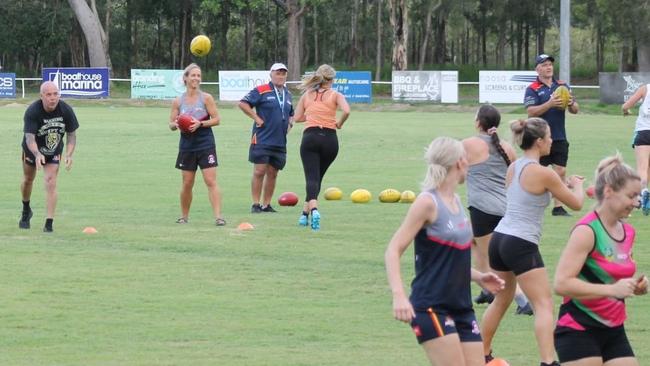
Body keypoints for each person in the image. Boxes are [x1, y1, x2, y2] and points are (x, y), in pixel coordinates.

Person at [385, 136, 505, 366]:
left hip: (462, 306)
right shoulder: (427, 203)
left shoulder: (458, 202)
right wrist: (399, 296)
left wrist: (479, 276)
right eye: (467, 160)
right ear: (460, 162)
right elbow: (393, 249)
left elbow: (448, 258)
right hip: (431, 307)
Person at [480, 118, 584, 366]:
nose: (551, 141)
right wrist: (578, 185)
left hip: (500, 238)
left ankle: (481, 354)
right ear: (539, 141)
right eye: (549, 137)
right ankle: (548, 362)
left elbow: (524, 195)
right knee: (543, 304)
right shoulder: (544, 173)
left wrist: (560, 185)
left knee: (502, 300)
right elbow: (576, 203)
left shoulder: (514, 167)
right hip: (521, 242)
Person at [553, 154, 648, 366]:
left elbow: (610, 274)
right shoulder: (587, 231)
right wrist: (613, 290)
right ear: (608, 191)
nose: (635, 203)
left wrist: (636, 286)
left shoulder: (628, 232)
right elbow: (561, 283)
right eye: (630, 196)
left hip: (614, 330)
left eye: (637, 197)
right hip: (578, 328)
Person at [462, 105, 532, 315]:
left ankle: (523, 301)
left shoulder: (468, 144)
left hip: (483, 209)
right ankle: (486, 289)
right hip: (504, 208)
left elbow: (450, 163)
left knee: (495, 261)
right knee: (471, 242)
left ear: (478, 123)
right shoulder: (506, 147)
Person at [293, 64, 350, 230]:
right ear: (332, 79)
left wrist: (312, 115)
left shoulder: (307, 95)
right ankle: (304, 215)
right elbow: (346, 111)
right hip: (330, 140)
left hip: (310, 138)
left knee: (312, 178)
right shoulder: (335, 95)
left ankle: (315, 210)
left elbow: (297, 118)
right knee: (317, 178)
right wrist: (338, 122)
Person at [169, 63, 225, 226]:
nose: (196, 78)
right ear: (185, 78)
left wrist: (200, 124)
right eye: (193, 75)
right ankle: (184, 217)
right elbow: (171, 124)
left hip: (205, 142)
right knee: (187, 183)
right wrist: (178, 124)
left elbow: (216, 119)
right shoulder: (178, 101)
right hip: (187, 145)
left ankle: (218, 217)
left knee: (210, 181)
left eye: (198, 76)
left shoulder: (206, 98)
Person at [19, 81, 79, 233]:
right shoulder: (33, 110)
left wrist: (69, 154)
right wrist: (37, 154)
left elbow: (71, 135)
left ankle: (49, 223)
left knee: (50, 181)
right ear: (41, 96)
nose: (53, 98)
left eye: (55, 94)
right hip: (33, 151)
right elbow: (29, 138)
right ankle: (26, 209)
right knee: (28, 180)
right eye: (48, 94)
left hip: (53, 151)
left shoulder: (66, 110)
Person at [525, 54, 580, 216]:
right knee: (536, 171)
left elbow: (575, 109)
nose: (548, 67)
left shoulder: (562, 86)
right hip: (539, 138)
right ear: (537, 69)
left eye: (550, 64)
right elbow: (530, 112)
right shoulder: (533, 88)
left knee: (561, 170)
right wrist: (549, 104)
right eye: (544, 65)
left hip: (559, 136)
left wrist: (571, 103)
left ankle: (558, 207)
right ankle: (532, 203)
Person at [239, 63, 294, 213]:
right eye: (278, 73)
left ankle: (266, 204)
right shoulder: (262, 90)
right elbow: (243, 103)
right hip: (262, 138)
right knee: (259, 171)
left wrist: (291, 123)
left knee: (273, 173)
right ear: (271, 74)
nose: (281, 76)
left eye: (283, 73)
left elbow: (291, 113)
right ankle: (255, 204)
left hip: (279, 141)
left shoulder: (288, 94)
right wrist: (256, 118)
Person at [622, 84, 650, 214]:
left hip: (644, 132)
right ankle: (645, 199)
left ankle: (644, 192)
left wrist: (626, 111)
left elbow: (625, 106)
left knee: (642, 169)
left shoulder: (645, 88)